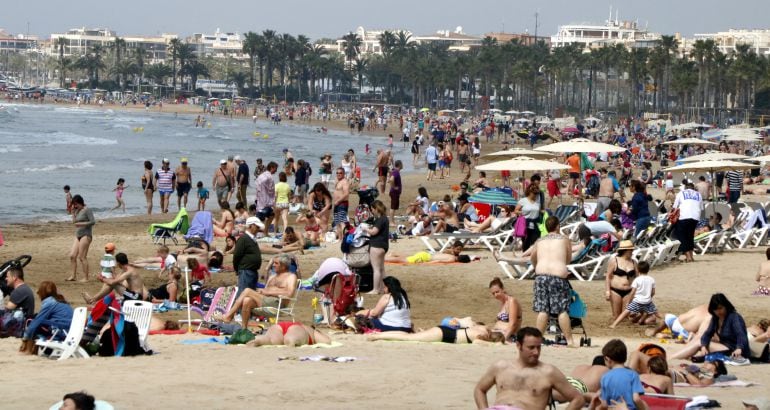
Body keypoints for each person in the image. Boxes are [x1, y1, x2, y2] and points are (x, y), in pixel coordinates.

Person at [474, 327, 584, 410]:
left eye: (539, 347)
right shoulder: (500, 367)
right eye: (531, 348)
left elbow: (578, 399)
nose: (536, 352)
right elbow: (479, 389)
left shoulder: (548, 372)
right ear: (518, 345)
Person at [220, 253, 298, 329]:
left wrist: (267, 292)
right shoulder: (272, 276)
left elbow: (289, 293)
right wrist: (261, 291)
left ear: (283, 266)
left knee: (247, 291)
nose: (273, 265)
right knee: (247, 300)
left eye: (276, 263)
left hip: (278, 303)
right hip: (266, 300)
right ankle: (244, 330)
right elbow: (266, 290)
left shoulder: (291, 277)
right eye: (273, 263)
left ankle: (229, 315)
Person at [530, 216, 575, 346]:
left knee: (543, 310)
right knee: (561, 310)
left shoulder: (540, 240)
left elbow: (533, 257)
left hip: (541, 275)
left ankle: (537, 340)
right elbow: (568, 259)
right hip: (557, 276)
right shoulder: (564, 239)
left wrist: (536, 266)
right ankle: (570, 341)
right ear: (558, 226)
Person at [19, 281, 74, 354]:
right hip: (68, 331)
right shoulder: (60, 300)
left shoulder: (50, 302)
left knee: (32, 321)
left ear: (42, 293)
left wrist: (25, 338)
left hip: (60, 331)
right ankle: (34, 349)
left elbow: (36, 322)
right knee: (38, 320)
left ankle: (28, 350)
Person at [594, 339, 647, 410]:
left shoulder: (605, 377)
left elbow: (604, 404)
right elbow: (636, 399)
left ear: (607, 359)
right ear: (625, 358)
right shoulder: (633, 374)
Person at [369, 317, 502, 344]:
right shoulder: (481, 336)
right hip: (444, 335)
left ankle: (379, 334)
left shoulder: (482, 328)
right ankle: (378, 336)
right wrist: (495, 345)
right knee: (409, 338)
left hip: (446, 330)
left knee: (410, 335)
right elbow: (479, 344)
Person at [695, 293, 749, 360]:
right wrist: (703, 346)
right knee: (699, 343)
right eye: (715, 309)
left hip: (735, 350)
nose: (718, 312)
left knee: (697, 343)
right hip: (725, 347)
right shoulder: (716, 318)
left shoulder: (734, 317)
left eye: (720, 308)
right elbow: (707, 334)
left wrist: (739, 348)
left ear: (726, 306)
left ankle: (678, 357)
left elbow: (741, 334)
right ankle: (682, 357)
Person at [610, 261, 657, 328]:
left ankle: (614, 324)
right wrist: (649, 298)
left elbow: (632, 293)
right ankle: (664, 322)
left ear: (637, 270)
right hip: (647, 301)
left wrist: (628, 302)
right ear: (648, 269)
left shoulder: (637, 280)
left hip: (637, 301)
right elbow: (653, 292)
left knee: (626, 312)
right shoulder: (652, 279)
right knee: (655, 313)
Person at [605, 240, 637, 320]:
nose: (632, 252)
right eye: (631, 250)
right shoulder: (614, 261)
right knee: (616, 316)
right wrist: (607, 291)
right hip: (615, 291)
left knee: (625, 317)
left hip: (629, 291)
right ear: (625, 251)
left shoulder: (634, 262)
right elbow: (608, 276)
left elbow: (638, 277)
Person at [232, 217, 264, 299]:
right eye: (257, 227)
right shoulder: (243, 239)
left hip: (252, 271)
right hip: (245, 271)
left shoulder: (251, 239)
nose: (258, 229)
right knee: (243, 293)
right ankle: (239, 311)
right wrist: (237, 269)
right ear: (251, 226)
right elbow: (237, 255)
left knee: (250, 294)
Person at [68, 194, 94, 282]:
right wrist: (73, 213)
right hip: (78, 235)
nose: (75, 206)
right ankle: (73, 276)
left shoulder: (87, 210)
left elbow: (93, 221)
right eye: (74, 204)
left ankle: (86, 278)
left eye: (76, 204)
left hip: (86, 235)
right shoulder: (77, 211)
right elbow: (74, 222)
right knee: (72, 256)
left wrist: (82, 224)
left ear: (80, 202)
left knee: (82, 257)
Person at [673, 182, 702, 262]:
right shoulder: (698, 194)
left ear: (685, 188)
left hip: (684, 216)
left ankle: (688, 256)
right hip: (695, 217)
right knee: (690, 236)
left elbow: (675, 206)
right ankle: (691, 256)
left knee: (681, 236)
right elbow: (701, 207)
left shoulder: (681, 193)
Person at [365, 200, 389, 294]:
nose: (372, 211)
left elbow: (374, 232)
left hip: (376, 245)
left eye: (372, 209)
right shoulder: (385, 219)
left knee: (376, 269)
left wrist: (365, 228)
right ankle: (384, 288)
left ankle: (376, 289)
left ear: (376, 209)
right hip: (383, 246)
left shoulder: (380, 219)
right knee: (381, 268)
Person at [246, 321, 331, 347]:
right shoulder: (311, 331)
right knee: (292, 338)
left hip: (279, 325)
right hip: (297, 327)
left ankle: (257, 340)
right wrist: (322, 334)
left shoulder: (308, 328)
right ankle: (290, 341)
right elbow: (327, 341)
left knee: (270, 339)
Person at [385, 240, 474, 264]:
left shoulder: (452, 256)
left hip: (426, 254)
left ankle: (393, 254)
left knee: (407, 257)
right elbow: (439, 261)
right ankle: (385, 259)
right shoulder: (451, 258)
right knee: (402, 260)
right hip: (426, 257)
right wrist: (428, 263)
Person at [489, 277, 522, 341]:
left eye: (497, 292)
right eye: (493, 293)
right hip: (501, 333)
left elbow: (513, 324)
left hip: (510, 335)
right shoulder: (503, 303)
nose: (495, 295)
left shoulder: (512, 301)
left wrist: (504, 339)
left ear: (503, 289)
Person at [515, 184, 542, 251]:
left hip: (536, 225)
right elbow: (516, 211)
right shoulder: (523, 200)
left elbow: (540, 211)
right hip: (525, 225)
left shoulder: (538, 202)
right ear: (529, 192)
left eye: (537, 193)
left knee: (535, 244)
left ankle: (532, 259)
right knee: (526, 244)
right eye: (534, 193)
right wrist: (522, 213)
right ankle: (525, 258)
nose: (536, 195)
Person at [255, 161, 277, 236]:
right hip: (266, 202)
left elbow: (257, 185)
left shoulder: (261, 175)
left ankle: (265, 232)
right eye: (275, 169)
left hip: (260, 200)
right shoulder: (269, 177)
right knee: (259, 218)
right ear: (272, 168)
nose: (276, 171)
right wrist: (274, 200)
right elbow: (271, 190)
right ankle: (255, 232)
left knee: (271, 215)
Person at [332, 167, 350, 241]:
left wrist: (338, 201)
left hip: (342, 204)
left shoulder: (344, 182)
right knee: (337, 222)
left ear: (344, 174)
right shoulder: (338, 181)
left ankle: (344, 239)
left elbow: (346, 194)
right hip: (337, 204)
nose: (338, 174)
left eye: (340, 173)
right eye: (337, 173)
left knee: (342, 221)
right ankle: (340, 239)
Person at [388, 160, 403, 224]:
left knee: (394, 207)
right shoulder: (396, 172)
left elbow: (390, 178)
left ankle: (392, 220)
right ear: (399, 165)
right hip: (394, 192)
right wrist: (394, 187)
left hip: (395, 193)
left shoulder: (395, 171)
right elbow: (391, 180)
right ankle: (391, 221)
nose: (403, 165)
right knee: (393, 207)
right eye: (402, 164)